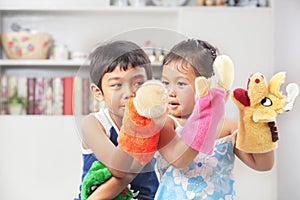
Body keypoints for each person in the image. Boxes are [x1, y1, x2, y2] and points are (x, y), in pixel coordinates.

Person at [74, 40, 225, 200]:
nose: (129, 92)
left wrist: (205, 114)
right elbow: (119, 169)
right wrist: (137, 129)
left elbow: (179, 157)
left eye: (138, 83)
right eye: (117, 85)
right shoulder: (93, 123)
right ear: (98, 92)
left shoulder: (158, 121)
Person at [154, 39, 274, 199]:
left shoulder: (229, 128)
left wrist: (258, 123)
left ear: (209, 85)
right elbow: (179, 158)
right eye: (165, 82)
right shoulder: (165, 124)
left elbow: (263, 164)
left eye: (181, 83)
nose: (170, 91)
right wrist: (207, 117)